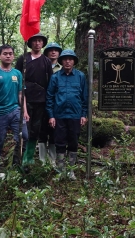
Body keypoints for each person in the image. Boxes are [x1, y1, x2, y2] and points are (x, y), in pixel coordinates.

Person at [0, 45, 28, 169]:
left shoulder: (17, 73)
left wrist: (24, 111)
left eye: (10, 53)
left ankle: (16, 165)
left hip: (15, 110)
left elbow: (21, 94)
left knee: (24, 137)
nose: (8, 56)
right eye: (5, 53)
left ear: (13, 56)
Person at [46, 49, 88, 180]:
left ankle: (71, 170)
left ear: (74, 61)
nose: (67, 61)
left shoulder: (80, 76)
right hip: (59, 115)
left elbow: (84, 97)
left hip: (75, 115)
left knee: (73, 142)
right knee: (59, 142)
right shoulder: (55, 77)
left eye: (70, 59)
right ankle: (61, 170)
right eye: (65, 59)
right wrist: (51, 115)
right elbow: (49, 97)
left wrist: (84, 114)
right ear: (61, 61)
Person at [15, 33, 54, 168]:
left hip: (40, 99)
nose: (37, 43)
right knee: (24, 127)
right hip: (25, 97)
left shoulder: (46, 61)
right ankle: (19, 157)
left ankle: (29, 157)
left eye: (40, 41)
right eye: (35, 41)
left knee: (36, 128)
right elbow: (17, 77)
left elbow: (50, 82)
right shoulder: (23, 59)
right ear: (30, 43)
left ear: (43, 44)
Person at [39, 42, 63, 165]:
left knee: (55, 131)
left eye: (56, 50)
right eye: (51, 50)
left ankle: (52, 159)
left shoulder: (63, 68)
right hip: (42, 102)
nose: (53, 52)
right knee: (42, 130)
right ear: (46, 52)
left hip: (58, 103)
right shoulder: (41, 65)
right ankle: (42, 159)